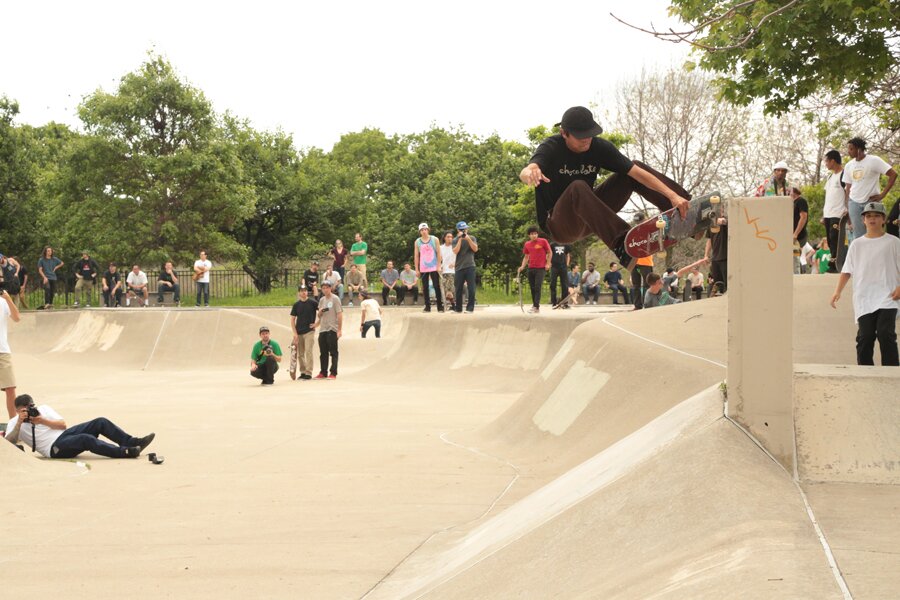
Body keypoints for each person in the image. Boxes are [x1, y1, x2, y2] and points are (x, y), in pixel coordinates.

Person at [518, 106, 689, 270]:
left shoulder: (599, 147)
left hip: (589, 217)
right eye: (580, 136)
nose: (587, 140)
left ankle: (685, 210)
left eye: (590, 135)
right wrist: (530, 173)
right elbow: (528, 170)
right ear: (564, 133)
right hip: (558, 224)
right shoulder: (551, 146)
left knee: (631, 171)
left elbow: (638, 173)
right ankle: (622, 243)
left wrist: (672, 195)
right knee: (578, 186)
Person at [830, 201, 900, 366]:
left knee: (885, 334)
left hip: (888, 296)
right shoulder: (856, 244)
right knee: (865, 337)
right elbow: (847, 270)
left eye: (876, 216)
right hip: (864, 298)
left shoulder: (894, 242)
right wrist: (837, 291)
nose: (872, 219)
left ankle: (892, 373)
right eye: (868, 216)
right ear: (863, 220)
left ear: (883, 219)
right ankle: (865, 372)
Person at [4, 394, 154, 459]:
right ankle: (125, 452)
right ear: (17, 410)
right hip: (53, 449)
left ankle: (132, 442)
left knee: (100, 421)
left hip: (64, 435)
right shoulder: (14, 421)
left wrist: (42, 421)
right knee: (85, 439)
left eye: (30, 407)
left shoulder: (42, 410)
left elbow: (62, 425)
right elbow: (8, 443)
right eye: (24, 409)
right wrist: (18, 423)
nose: (29, 411)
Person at [842, 137, 897, 243]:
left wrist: (882, 195)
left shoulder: (873, 160)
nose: (848, 151)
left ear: (859, 149)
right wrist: (847, 207)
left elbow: (893, 175)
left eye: (851, 149)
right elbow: (848, 188)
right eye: (848, 149)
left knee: (876, 233)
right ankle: (861, 259)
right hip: (854, 203)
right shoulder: (849, 165)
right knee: (858, 236)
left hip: (871, 202)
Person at [517, 226, 551, 313]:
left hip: (541, 268)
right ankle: (535, 305)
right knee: (532, 287)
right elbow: (526, 256)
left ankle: (536, 306)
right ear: (529, 235)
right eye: (532, 234)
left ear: (537, 234)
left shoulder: (543, 241)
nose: (534, 235)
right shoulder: (527, 244)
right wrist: (522, 266)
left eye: (535, 233)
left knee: (537, 286)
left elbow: (549, 252)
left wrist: (548, 263)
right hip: (531, 268)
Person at [821, 149, 845, 272]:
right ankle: (833, 262)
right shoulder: (830, 176)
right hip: (828, 214)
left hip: (839, 213)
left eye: (826, 161)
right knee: (830, 240)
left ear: (833, 161)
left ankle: (837, 264)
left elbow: (848, 193)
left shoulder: (844, 175)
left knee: (835, 238)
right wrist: (823, 215)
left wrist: (847, 210)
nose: (826, 164)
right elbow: (828, 197)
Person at [313, 281, 342, 379]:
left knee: (333, 352)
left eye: (327, 287)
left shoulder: (335, 299)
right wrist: (319, 313)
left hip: (332, 328)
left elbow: (339, 314)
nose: (325, 290)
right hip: (323, 329)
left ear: (330, 288)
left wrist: (339, 329)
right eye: (323, 288)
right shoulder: (321, 300)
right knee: (323, 352)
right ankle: (323, 372)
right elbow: (320, 315)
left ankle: (333, 372)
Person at [289, 285, 318, 380]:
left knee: (308, 351)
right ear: (299, 293)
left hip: (309, 332)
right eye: (302, 291)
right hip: (299, 332)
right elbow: (292, 320)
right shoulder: (296, 305)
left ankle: (309, 373)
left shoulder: (313, 303)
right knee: (300, 353)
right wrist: (295, 333)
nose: (304, 292)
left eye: (305, 290)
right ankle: (303, 372)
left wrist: (317, 324)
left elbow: (322, 313)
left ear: (307, 292)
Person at [414, 223, 444, 313]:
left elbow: (439, 253)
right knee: (425, 287)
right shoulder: (417, 241)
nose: (424, 231)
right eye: (422, 230)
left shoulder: (434, 239)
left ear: (428, 230)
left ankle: (440, 306)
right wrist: (416, 269)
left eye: (425, 229)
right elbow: (416, 255)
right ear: (420, 232)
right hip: (423, 267)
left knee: (436, 286)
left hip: (434, 266)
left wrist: (439, 265)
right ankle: (427, 306)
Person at [1, 286, 21, 417]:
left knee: (10, 387)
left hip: (2, 350)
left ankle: (13, 424)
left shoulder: (3, 301)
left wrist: (8, 298)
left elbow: (17, 318)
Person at [452, 221, 479, 313]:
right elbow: (455, 251)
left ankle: (470, 308)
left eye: (465, 229)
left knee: (471, 288)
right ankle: (458, 308)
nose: (464, 231)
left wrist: (468, 239)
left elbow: (475, 249)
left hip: (470, 266)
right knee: (458, 288)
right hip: (459, 267)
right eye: (462, 230)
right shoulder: (455, 240)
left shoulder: (472, 238)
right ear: (458, 230)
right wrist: (460, 239)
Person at [704, 217, 729, 295]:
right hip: (715, 258)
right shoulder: (711, 223)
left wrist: (724, 222)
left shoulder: (727, 220)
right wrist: (706, 255)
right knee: (717, 284)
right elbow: (709, 241)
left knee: (727, 283)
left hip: (726, 257)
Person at [790, 187, 810, 274]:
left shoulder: (801, 201)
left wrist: (795, 233)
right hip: (792, 234)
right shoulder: (792, 203)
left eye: (790, 191)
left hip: (798, 235)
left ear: (794, 192)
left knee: (795, 256)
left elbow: (803, 217)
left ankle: (796, 275)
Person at [37, 245, 63, 310]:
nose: (49, 252)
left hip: (53, 277)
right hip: (46, 277)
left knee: (52, 291)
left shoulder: (54, 259)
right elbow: (40, 270)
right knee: (47, 289)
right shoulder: (41, 260)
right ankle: (47, 303)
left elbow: (62, 263)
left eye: (50, 251)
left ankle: (50, 304)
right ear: (45, 252)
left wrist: (56, 267)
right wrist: (44, 277)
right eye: (48, 251)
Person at [548, 240, 572, 307]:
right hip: (554, 266)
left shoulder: (566, 244)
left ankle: (565, 302)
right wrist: (549, 263)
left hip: (563, 266)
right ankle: (554, 302)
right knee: (553, 284)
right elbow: (549, 254)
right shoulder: (552, 244)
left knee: (564, 285)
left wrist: (567, 264)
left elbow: (568, 255)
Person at [439, 232, 456, 305]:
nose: (450, 238)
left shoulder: (455, 247)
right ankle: (452, 304)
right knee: (445, 290)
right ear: (444, 238)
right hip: (443, 270)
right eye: (448, 237)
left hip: (452, 270)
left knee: (450, 290)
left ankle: (452, 304)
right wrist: (439, 266)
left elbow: (459, 257)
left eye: (451, 237)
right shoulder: (440, 247)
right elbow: (439, 258)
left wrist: (455, 264)